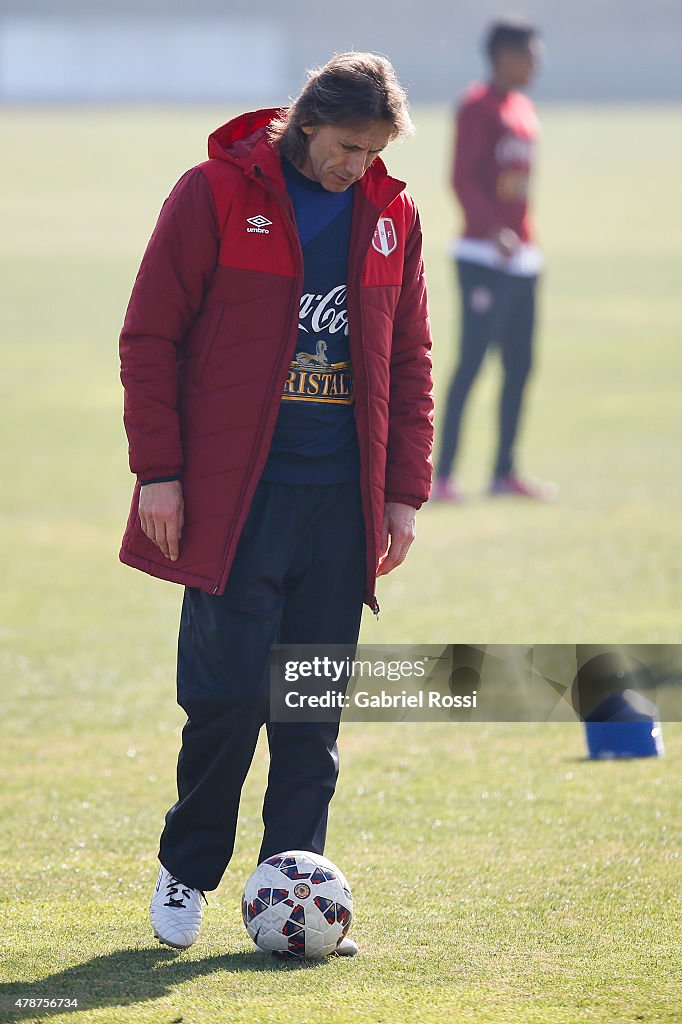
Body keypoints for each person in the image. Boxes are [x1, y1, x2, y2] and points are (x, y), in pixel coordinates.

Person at [118, 52, 434, 956]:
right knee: (224, 702)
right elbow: (149, 337)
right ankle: (188, 870)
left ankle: (296, 892)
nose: (357, 167)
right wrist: (159, 472)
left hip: (342, 502)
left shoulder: (392, 213)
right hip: (236, 499)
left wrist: (403, 494)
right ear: (306, 125)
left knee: (311, 708)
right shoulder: (212, 194)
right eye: (346, 148)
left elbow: (409, 361)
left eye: (373, 152)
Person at [434, 19, 555, 502]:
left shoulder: (523, 109)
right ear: (504, 55)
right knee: (471, 363)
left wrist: (525, 240)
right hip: (482, 256)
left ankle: (504, 472)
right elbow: (461, 180)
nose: (537, 62)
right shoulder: (476, 107)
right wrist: (491, 228)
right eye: (530, 53)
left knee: (520, 365)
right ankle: (442, 476)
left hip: (522, 257)